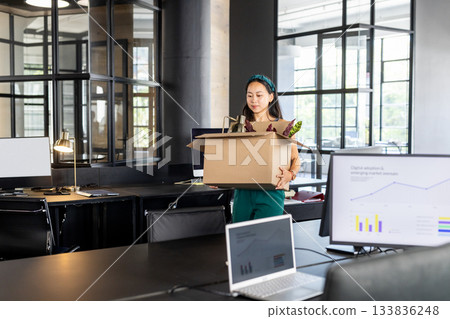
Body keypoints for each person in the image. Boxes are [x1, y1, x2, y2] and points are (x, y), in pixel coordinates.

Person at [232, 74, 300, 223]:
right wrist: (220, 176)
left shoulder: (284, 126)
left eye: (259, 95)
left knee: (266, 239)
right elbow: (230, 158)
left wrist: (291, 174)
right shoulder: (238, 126)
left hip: (271, 192)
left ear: (270, 97)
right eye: (249, 95)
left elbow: (295, 159)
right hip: (243, 193)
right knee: (241, 239)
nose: (253, 100)